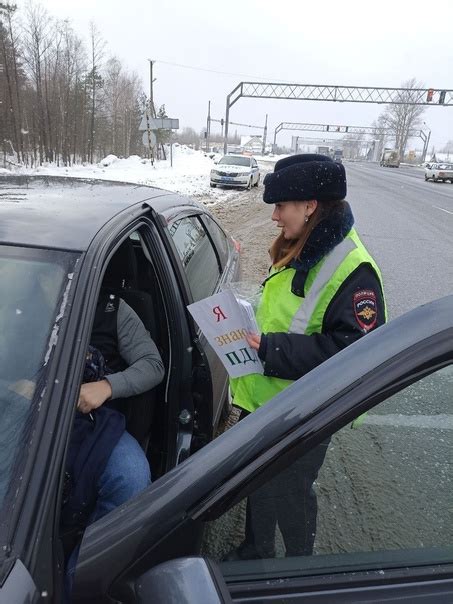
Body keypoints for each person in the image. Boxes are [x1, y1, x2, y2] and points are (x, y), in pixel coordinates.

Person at [226, 153, 386, 560]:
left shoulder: (352, 267)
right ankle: (256, 553)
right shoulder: (302, 244)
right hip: (268, 397)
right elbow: (291, 311)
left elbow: (356, 353)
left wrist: (272, 348)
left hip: (305, 408)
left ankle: (300, 568)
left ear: (310, 206)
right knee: (258, 481)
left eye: (281, 206)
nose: (275, 217)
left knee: (290, 493)